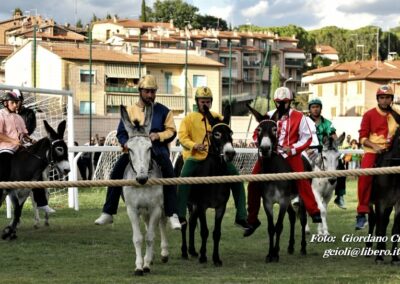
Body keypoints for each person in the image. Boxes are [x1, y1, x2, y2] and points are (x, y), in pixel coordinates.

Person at [94, 75, 181, 230]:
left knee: (169, 171)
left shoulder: (164, 111)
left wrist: (158, 135)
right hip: (133, 150)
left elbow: (172, 131)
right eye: (147, 91)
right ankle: (108, 211)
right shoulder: (129, 110)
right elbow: (121, 132)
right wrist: (126, 143)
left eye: (153, 92)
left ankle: (172, 213)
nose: (150, 95)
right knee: (116, 172)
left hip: (156, 149)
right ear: (140, 91)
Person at [245, 87, 322, 237]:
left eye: (285, 102)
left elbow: (307, 138)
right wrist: (260, 143)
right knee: (253, 182)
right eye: (279, 102)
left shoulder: (299, 116)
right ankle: (252, 219)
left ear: (290, 102)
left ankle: (314, 211)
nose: (282, 105)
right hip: (269, 155)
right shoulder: (268, 115)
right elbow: (256, 134)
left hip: (290, 155)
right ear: (275, 101)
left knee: (302, 178)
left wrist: (292, 149)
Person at [177, 86, 249, 230]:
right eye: (203, 101)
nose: (205, 104)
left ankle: (241, 216)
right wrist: (194, 145)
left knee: (236, 177)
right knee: (184, 177)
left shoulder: (217, 117)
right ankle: (180, 215)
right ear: (197, 102)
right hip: (194, 157)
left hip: (217, 157)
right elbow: (182, 137)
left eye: (208, 101)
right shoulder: (188, 119)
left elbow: (224, 130)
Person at [355, 85, 399, 230]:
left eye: (387, 98)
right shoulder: (369, 115)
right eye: (382, 98)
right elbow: (362, 137)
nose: (384, 101)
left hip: (392, 151)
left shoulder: (397, 114)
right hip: (372, 151)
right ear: (378, 99)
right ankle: (362, 212)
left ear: (391, 99)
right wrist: (375, 146)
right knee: (364, 176)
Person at [11, 89, 55, 213]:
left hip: (25, 145)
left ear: (21, 101)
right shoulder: (5, 114)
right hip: (9, 145)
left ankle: (41, 202)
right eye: (12, 101)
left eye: (17, 101)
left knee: (37, 168)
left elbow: (29, 129)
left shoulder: (29, 113)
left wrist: (20, 138)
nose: (15, 103)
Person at [307, 98, 346, 209]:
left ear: (321, 108)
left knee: (341, 167)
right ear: (310, 109)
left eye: (317, 107)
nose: (315, 109)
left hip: (326, 152)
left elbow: (333, 135)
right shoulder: (305, 121)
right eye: (313, 107)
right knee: (300, 166)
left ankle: (340, 196)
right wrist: (306, 149)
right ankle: (296, 194)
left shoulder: (328, 123)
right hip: (309, 151)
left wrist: (337, 142)